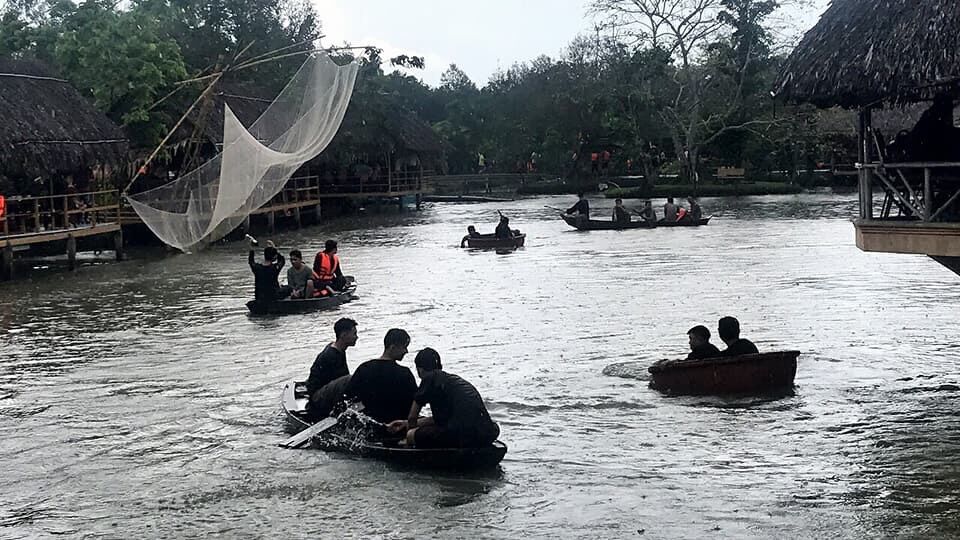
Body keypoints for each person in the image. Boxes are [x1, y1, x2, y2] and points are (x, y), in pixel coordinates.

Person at [388, 348, 500, 449]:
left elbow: (412, 417)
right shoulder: (452, 380)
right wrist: (405, 423)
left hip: (460, 434)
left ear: (420, 370)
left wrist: (409, 439)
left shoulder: (428, 379)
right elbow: (441, 418)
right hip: (486, 432)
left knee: (411, 434)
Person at [344, 328, 417, 423]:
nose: (406, 351)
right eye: (404, 347)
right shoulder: (404, 373)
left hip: (371, 424)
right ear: (392, 347)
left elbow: (348, 399)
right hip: (398, 424)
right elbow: (415, 402)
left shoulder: (364, 368)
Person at [305, 318, 359, 419]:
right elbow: (341, 382)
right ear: (343, 335)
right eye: (354, 334)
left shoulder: (339, 349)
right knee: (349, 379)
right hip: (317, 398)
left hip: (324, 392)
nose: (356, 337)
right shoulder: (331, 355)